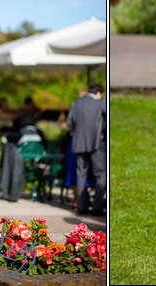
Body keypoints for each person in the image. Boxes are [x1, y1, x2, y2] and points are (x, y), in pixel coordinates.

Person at [66, 83, 107, 216]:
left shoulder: (76, 103)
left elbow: (69, 122)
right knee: (101, 175)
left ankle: (82, 206)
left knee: (81, 175)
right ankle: (97, 207)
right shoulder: (101, 103)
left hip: (79, 144)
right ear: (99, 93)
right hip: (97, 144)